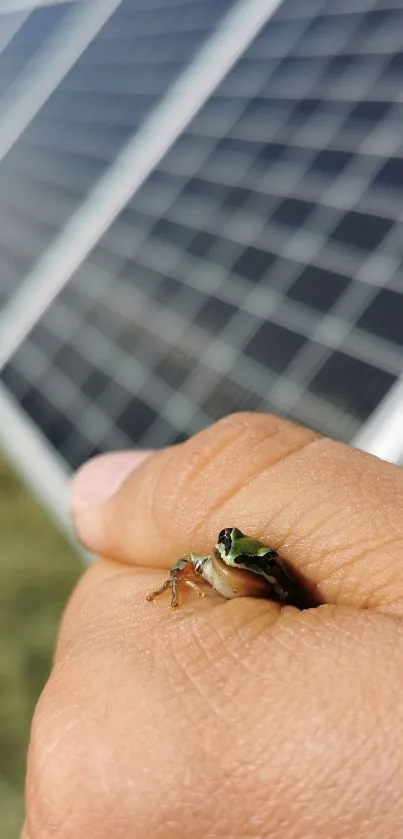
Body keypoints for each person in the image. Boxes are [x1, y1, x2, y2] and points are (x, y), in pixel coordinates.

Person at [22, 413, 403, 839]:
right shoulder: (213, 559)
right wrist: (176, 583)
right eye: (227, 542)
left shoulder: (267, 581)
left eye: (252, 556)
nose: (232, 554)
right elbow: (185, 562)